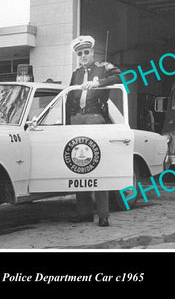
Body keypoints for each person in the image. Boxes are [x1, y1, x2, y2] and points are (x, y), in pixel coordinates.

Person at [67, 35, 122, 227]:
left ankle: (103, 214)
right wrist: (66, 125)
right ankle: (84, 213)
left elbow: (120, 76)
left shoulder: (103, 67)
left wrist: (99, 83)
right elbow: (69, 100)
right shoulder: (75, 74)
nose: (83, 56)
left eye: (86, 52)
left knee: (97, 167)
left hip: (96, 119)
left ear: (92, 52)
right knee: (79, 166)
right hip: (76, 121)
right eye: (79, 53)